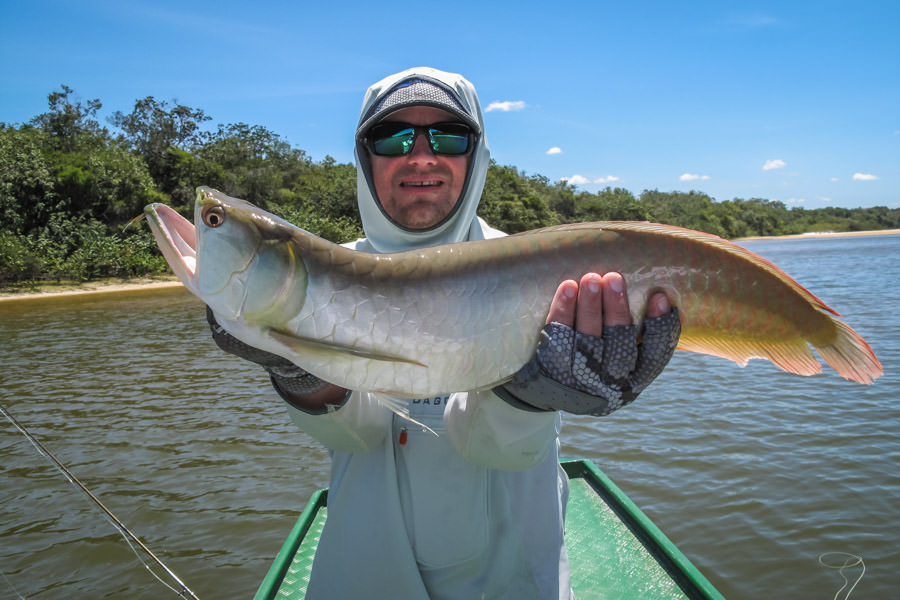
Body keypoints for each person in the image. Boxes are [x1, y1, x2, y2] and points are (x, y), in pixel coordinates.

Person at [209, 67, 681, 599]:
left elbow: (501, 449)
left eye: (449, 136)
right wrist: (295, 365)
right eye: (391, 137)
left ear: (475, 154)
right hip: (363, 575)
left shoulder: (550, 277)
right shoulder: (324, 274)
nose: (420, 155)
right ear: (365, 158)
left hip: (515, 577)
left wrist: (531, 397)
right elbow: (353, 434)